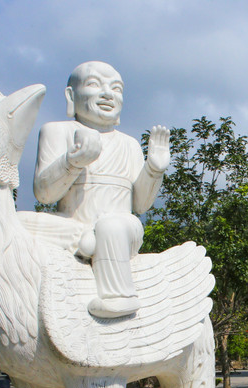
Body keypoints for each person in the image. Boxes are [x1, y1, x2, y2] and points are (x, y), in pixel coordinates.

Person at [31, 61, 170, 318]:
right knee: (15, 223)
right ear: (71, 96)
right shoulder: (56, 131)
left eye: (116, 88)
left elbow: (139, 206)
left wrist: (154, 169)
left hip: (122, 229)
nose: (108, 94)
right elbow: (45, 195)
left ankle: (120, 297)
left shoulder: (128, 145)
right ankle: (87, 242)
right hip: (73, 226)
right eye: (95, 84)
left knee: (110, 225)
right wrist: (72, 161)